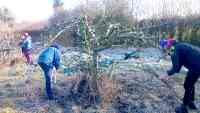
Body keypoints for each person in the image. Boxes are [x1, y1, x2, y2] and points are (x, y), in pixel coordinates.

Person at [160, 42, 200, 113]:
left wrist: (165, 75)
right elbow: (178, 66)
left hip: (196, 66)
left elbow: (175, 67)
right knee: (190, 84)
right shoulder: (178, 46)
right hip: (197, 64)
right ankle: (191, 103)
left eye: (164, 49)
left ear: (166, 47)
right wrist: (170, 74)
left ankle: (183, 108)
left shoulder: (173, 50)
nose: (164, 51)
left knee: (187, 85)